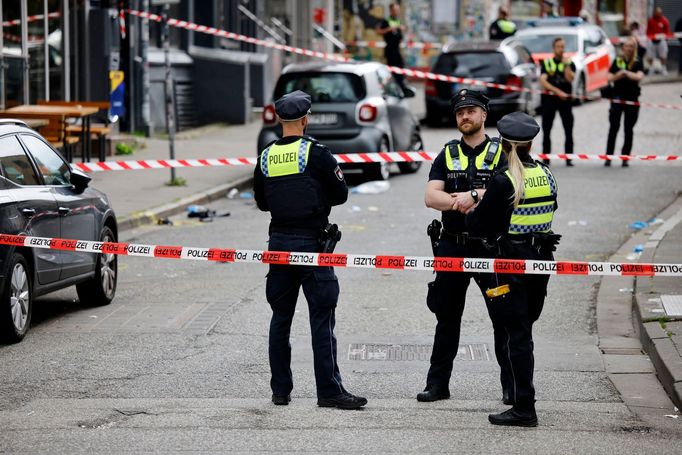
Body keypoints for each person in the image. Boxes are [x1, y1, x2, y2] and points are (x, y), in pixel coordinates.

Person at [253, 90, 367, 410]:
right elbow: (340, 193)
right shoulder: (316, 153)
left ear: (279, 121)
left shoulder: (266, 156)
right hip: (313, 245)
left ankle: (280, 391)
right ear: (306, 120)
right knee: (321, 319)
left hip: (278, 245)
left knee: (280, 318)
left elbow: (262, 202)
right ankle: (329, 392)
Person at [465, 111, 560, 427]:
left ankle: (524, 407)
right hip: (541, 260)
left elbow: (478, 226)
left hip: (512, 264)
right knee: (525, 331)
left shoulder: (504, 181)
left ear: (504, 144)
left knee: (516, 335)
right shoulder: (546, 174)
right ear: (531, 144)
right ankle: (523, 401)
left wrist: (476, 207)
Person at [418, 89, 505, 402]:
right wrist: (462, 202)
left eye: (471, 111)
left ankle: (511, 386)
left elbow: (509, 192)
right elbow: (431, 197)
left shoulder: (500, 152)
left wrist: (476, 195)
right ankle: (437, 385)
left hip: (490, 249)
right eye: (460, 112)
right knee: (447, 318)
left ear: (483, 115)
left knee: (502, 317)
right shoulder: (447, 154)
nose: (465, 117)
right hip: (452, 247)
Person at [605, 38, 644, 167]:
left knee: (628, 129)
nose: (629, 48)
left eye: (631, 46)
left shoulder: (637, 62)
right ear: (623, 48)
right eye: (627, 46)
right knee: (613, 128)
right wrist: (619, 75)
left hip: (632, 99)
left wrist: (626, 73)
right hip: (617, 98)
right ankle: (608, 157)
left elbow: (639, 76)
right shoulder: (617, 61)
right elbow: (609, 78)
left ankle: (625, 157)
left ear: (634, 48)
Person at [540, 37, 576, 167]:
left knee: (568, 129)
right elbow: (543, 81)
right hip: (550, 100)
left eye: (563, 47)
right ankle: (546, 158)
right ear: (554, 48)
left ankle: (569, 157)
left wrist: (566, 65)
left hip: (565, 101)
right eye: (559, 47)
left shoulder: (569, 62)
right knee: (547, 129)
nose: (561, 49)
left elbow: (570, 78)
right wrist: (557, 92)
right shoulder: (547, 62)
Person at [376, 3, 407, 89]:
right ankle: (392, 87)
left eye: (397, 10)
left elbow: (400, 34)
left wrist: (401, 28)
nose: (396, 12)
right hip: (390, 50)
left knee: (401, 69)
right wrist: (389, 29)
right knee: (392, 70)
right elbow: (378, 31)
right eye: (394, 10)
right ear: (391, 10)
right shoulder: (386, 20)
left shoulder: (398, 20)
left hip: (397, 49)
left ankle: (401, 87)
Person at [646, 7, 670, 75]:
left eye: (659, 13)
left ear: (661, 13)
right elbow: (648, 31)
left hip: (661, 40)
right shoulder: (651, 20)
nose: (657, 14)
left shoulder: (665, 20)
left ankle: (663, 69)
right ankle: (651, 68)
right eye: (656, 13)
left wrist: (666, 38)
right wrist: (650, 37)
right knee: (650, 56)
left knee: (663, 55)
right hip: (652, 40)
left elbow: (667, 31)